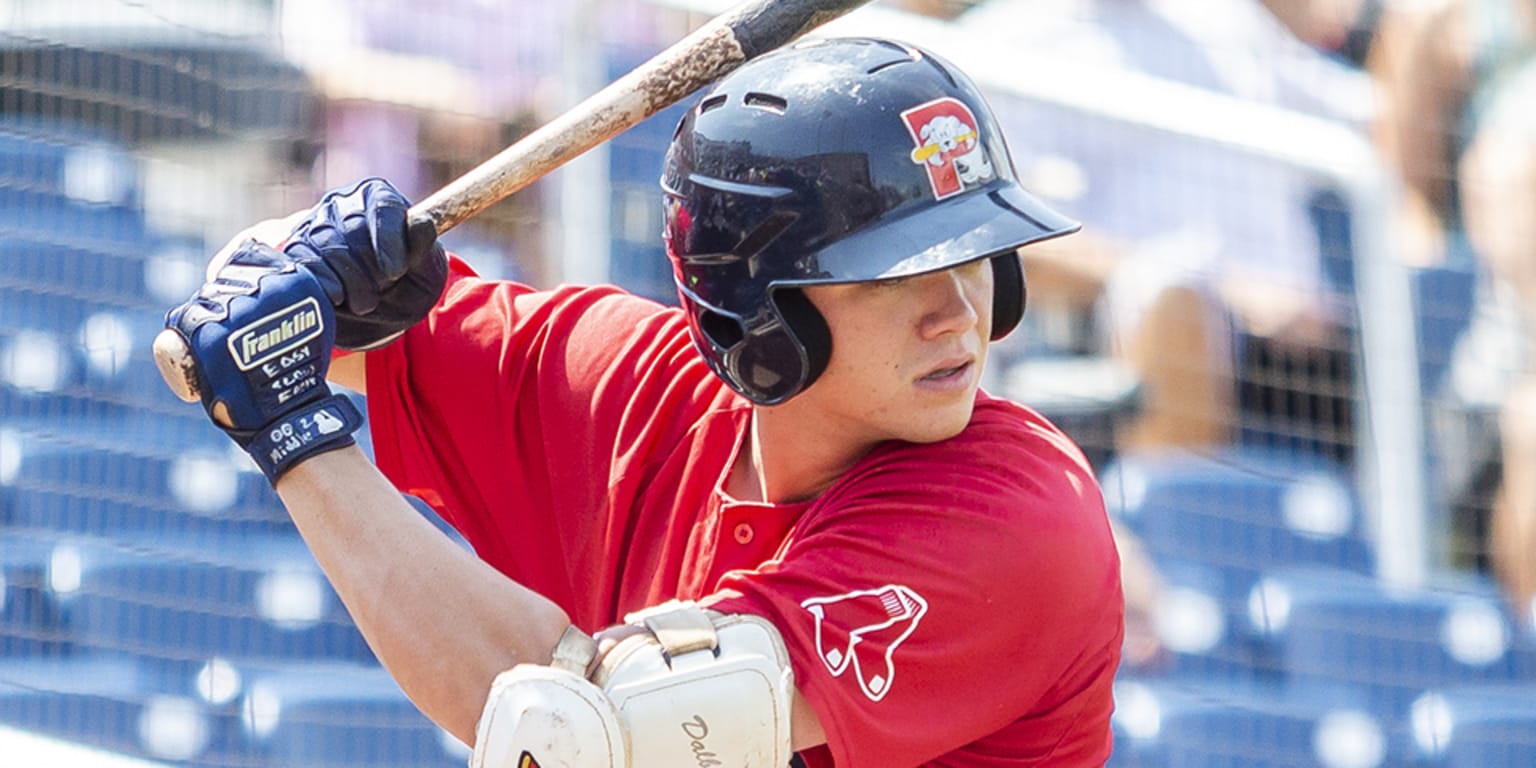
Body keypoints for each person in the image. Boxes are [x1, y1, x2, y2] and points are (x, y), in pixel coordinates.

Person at [163, 37, 1123, 766]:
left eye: (974, 256)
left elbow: (586, 738)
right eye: (891, 274)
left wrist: (298, 439)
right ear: (758, 306)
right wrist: (304, 265)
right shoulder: (626, 381)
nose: (956, 313)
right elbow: (205, 335)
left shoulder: (1020, 517)